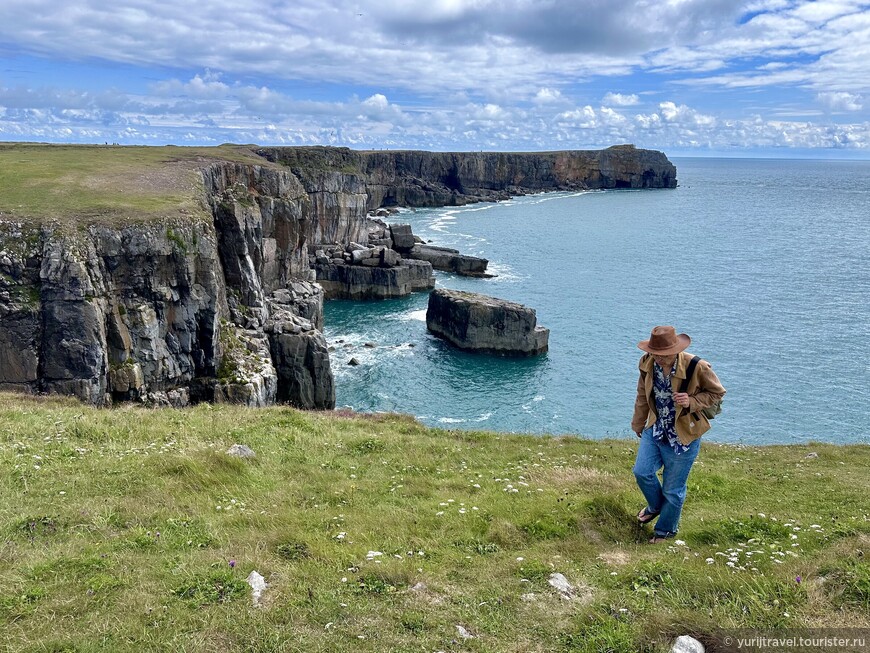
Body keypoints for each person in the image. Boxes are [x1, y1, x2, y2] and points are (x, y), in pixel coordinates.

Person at [631, 326, 725, 543]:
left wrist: (692, 401)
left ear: (676, 350)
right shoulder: (647, 363)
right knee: (642, 472)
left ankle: (665, 531)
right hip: (655, 428)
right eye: (655, 353)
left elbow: (717, 393)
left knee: (673, 489)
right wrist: (638, 422)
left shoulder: (698, 366)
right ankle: (655, 507)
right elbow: (642, 395)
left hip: (684, 434)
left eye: (663, 355)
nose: (658, 358)